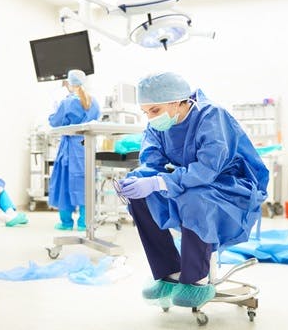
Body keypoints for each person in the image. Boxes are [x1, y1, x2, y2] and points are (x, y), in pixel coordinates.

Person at [117, 72, 269, 308]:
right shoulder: (158, 125)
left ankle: (196, 278)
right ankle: (170, 272)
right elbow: (151, 162)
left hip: (230, 185)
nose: (150, 117)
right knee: (140, 194)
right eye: (145, 112)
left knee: (193, 196)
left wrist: (160, 182)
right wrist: (136, 181)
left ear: (176, 101)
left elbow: (208, 168)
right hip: (187, 180)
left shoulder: (211, 116)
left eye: (154, 110)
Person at [48, 69, 101, 231]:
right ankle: (85, 222)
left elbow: (55, 122)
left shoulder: (68, 103)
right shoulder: (94, 102)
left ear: (70, 84)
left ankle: (66, 222)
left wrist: (53, 113)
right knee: (86, 184)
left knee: (64, 184)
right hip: (87, 146)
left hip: (70, 149)